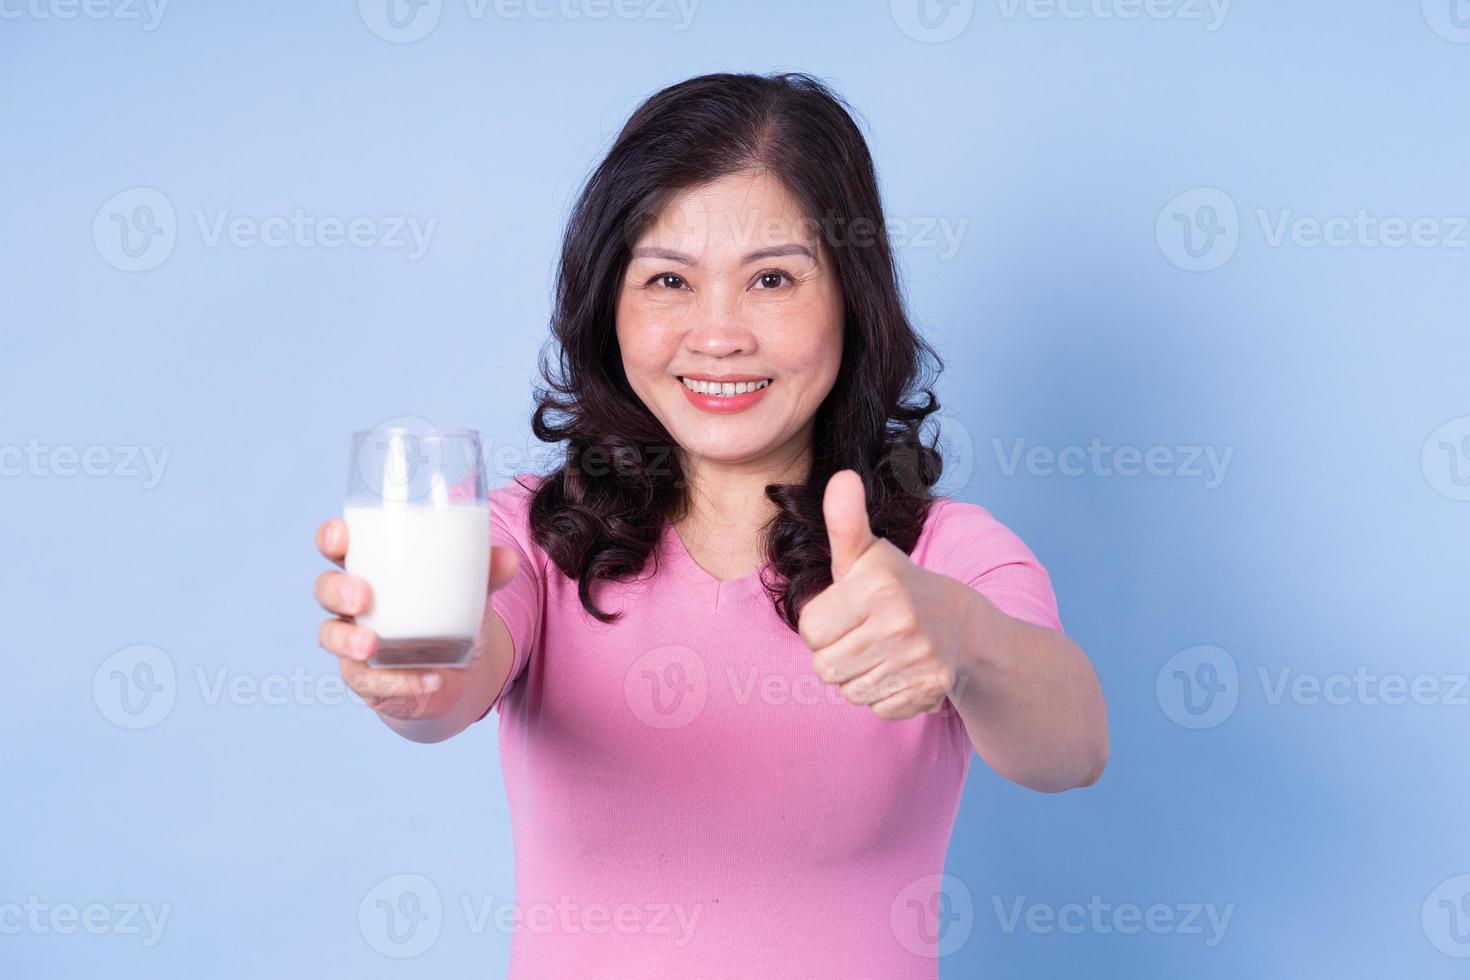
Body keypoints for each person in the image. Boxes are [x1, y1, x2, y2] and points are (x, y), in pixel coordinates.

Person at [314, 71, 1108, 978]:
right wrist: (413, 672)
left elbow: (1075, 746)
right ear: (608, 304)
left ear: (853, 294)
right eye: (667, 280)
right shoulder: (531, 543)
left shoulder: (937, 558)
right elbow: (449, 681)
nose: (718, 334)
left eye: (772, 278)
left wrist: (963, 638)